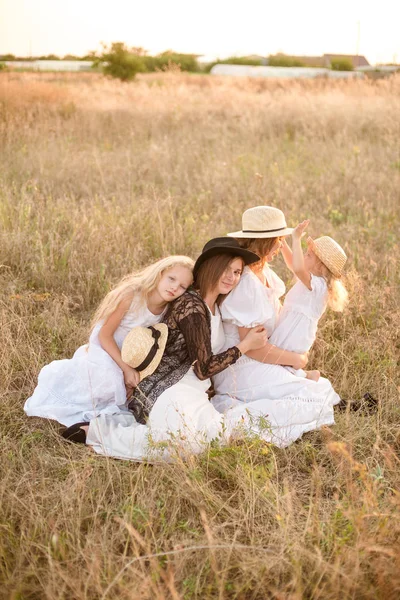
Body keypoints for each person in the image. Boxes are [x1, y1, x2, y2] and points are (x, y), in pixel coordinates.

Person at [62, 238, 268, 460]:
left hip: (194, 390)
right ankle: (98, 432)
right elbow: (204, 367)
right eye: (226, 269)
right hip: (167, 386)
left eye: (237, 272)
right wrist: (245, 346)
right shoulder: (191, 304)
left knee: (212, 439)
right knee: (182, 447)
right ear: (211, 266)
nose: (232, 277)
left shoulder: (217, 307)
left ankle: (120, 425)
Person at [211, 206, 342, 447]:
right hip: (240, 365)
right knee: (307, 394)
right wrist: (296, 359)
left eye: (283, 240)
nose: (280, 246)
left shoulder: (266, 273)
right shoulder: (247, 283)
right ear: (264, 243)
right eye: (277, 241)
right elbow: (250, 349)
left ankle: (302, 382)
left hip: (264, 355)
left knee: (316, 389)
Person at [24, 256, 194, 426]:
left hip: (134, 356)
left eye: (182, 287)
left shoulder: (168, 310)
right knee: (107, 381)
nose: (174, 287)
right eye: (171, 279)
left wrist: (134, 373)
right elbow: (104, 335)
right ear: (160, 273)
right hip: (108, 348)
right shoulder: (132, 295)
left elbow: (150, 349)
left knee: (135, 392)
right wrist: (126, 370)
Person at [269, 219, 348, 381]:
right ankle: (306, 376)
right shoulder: (311, 280)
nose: (304, 255)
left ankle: (306, 377)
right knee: (280, 365)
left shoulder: (318, 286)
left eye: (309, 255)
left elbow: (297, 268)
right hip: (290, 327)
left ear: (320, 267)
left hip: (296, 333)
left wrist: (296, 238)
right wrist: (282, 243)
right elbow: (293, 264)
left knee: (280, 365)